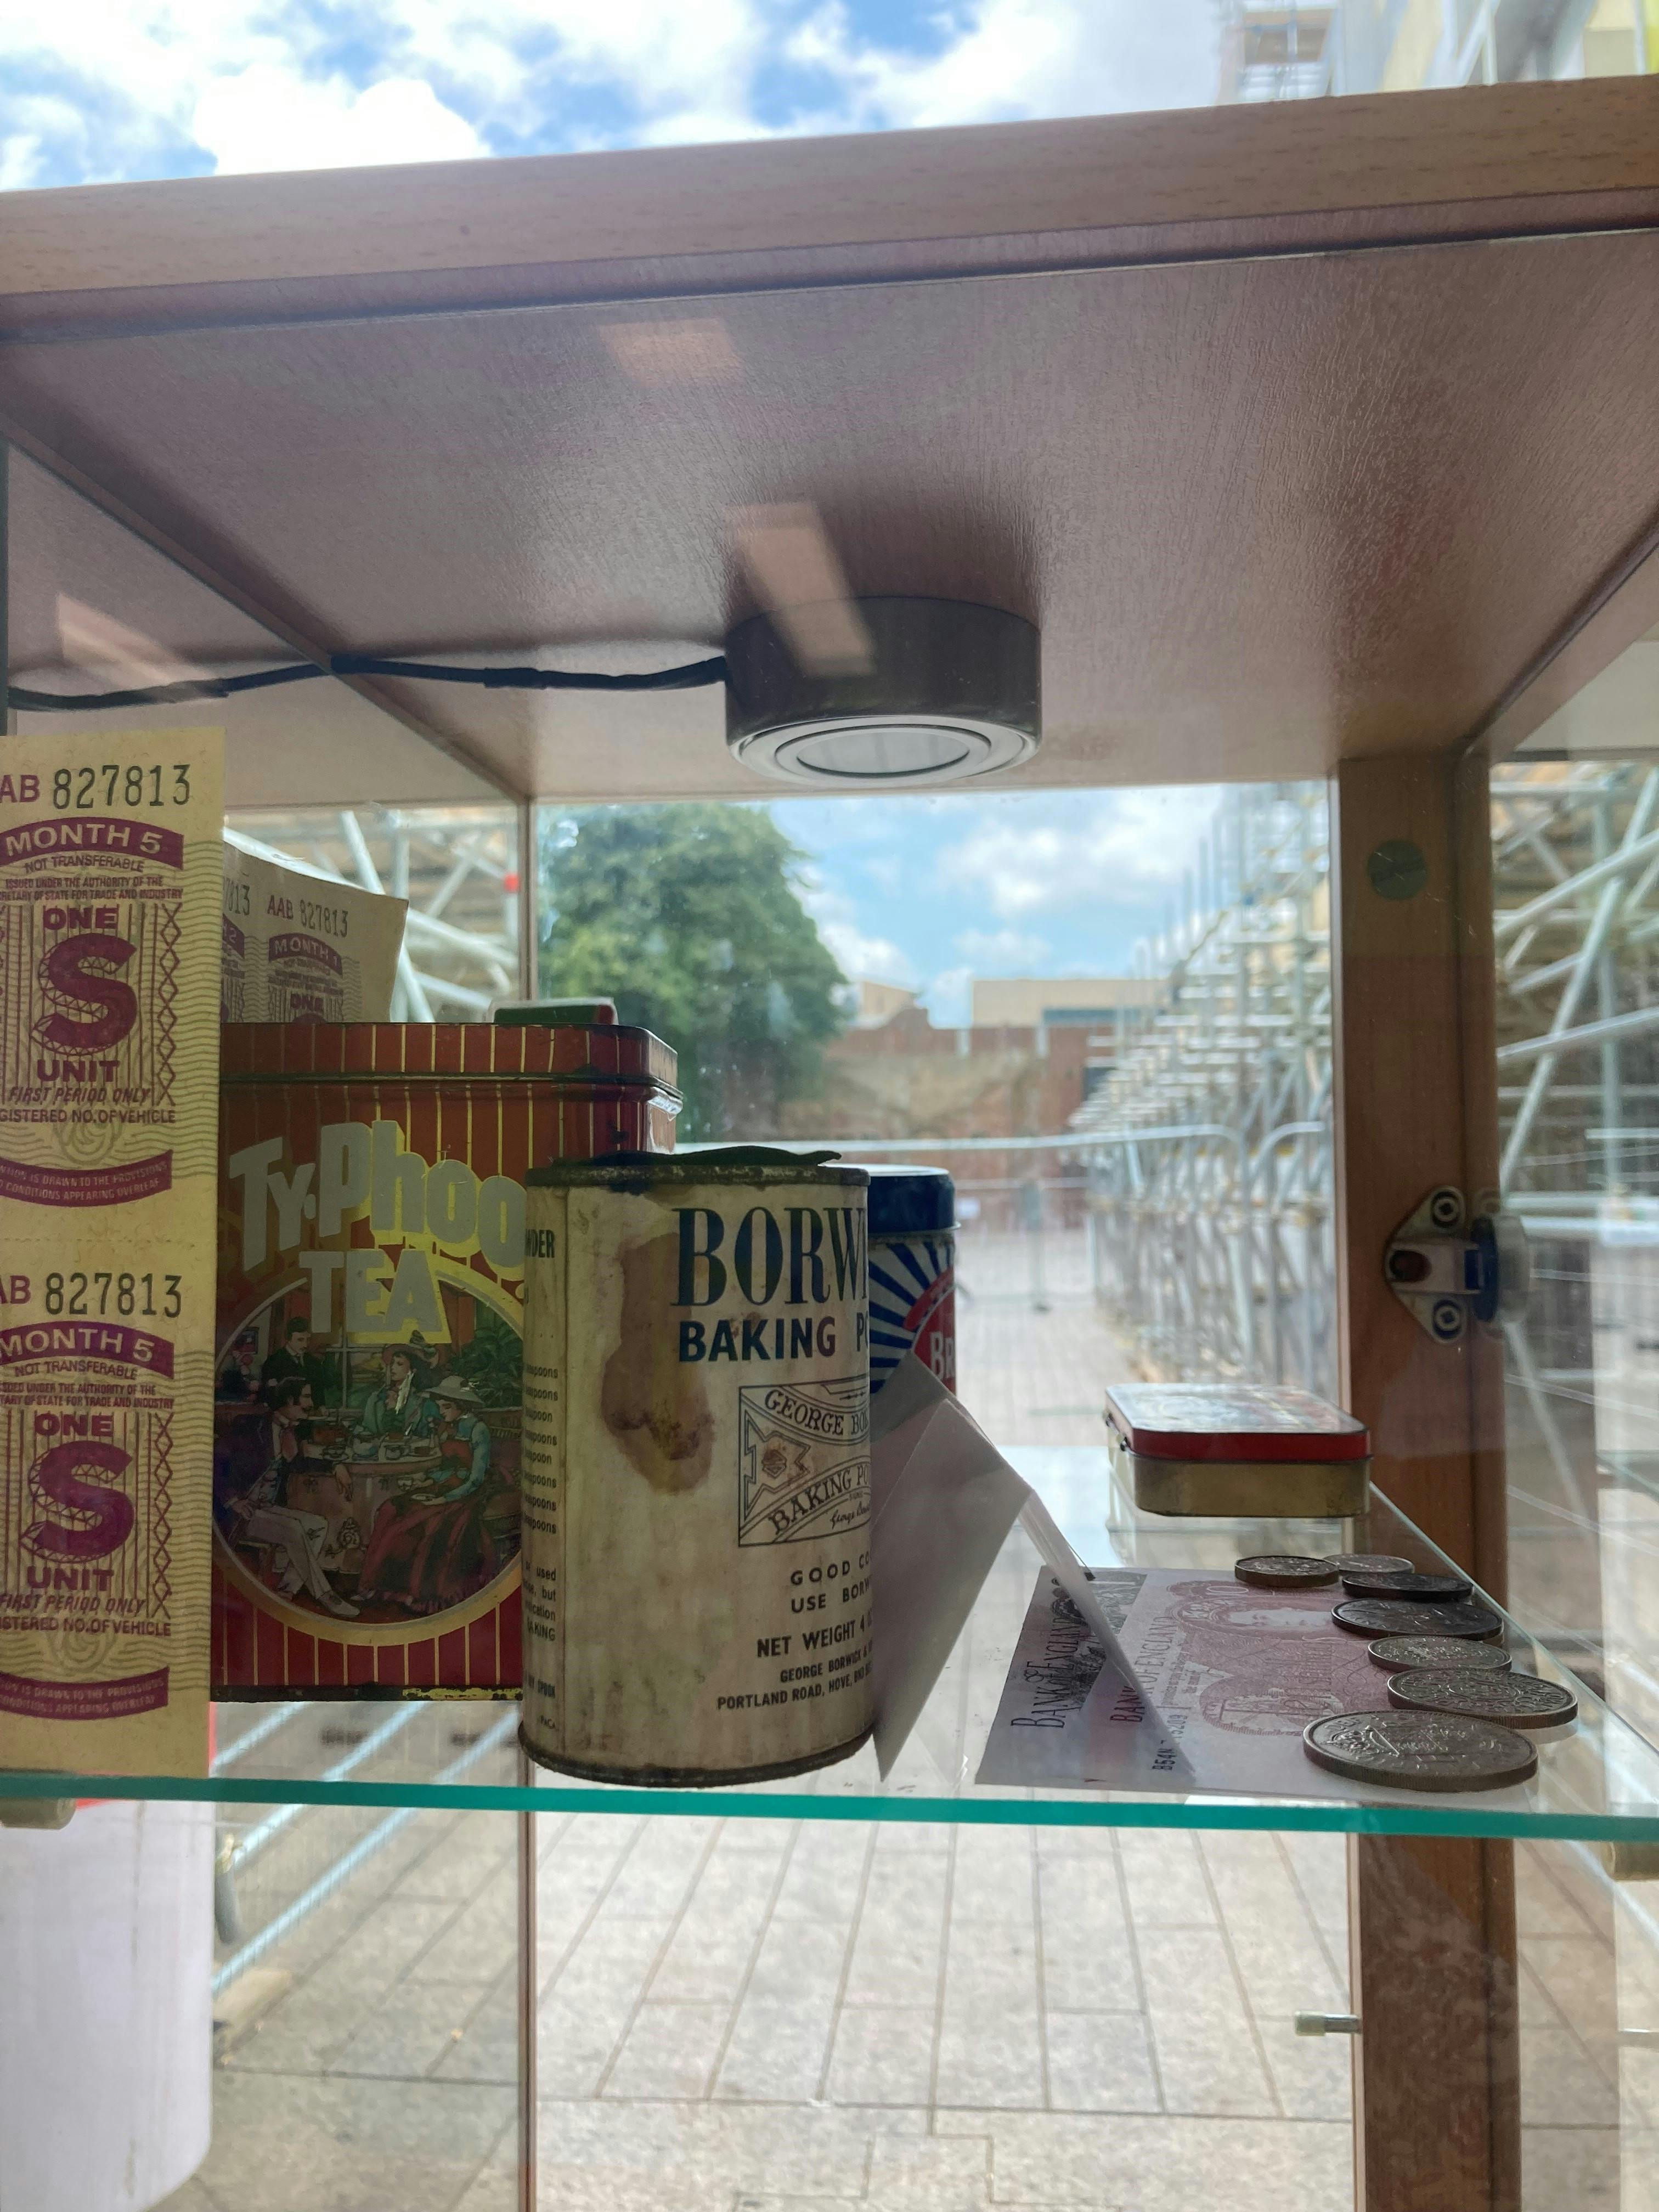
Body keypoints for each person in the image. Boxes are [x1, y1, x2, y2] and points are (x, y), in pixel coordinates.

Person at [214, 1377, 359, 1619]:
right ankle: (325, 1595)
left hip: (266, 1508)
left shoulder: (291, 1432)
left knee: (318, 1525)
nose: (311, 1404)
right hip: (238, 1513)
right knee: (293, 1528)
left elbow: (297, 1463)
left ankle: (286, 1591)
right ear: (289, 1401)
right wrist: (234, 1502)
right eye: (306, 1397)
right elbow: (214, 1464)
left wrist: (335, 1465)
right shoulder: (249, 1427)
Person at [355, 1376, 499, 1615]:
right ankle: (375, 1584)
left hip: (465, 1493)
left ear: (460, 1406)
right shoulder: (446, 1427)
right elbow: (445, 1468)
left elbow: (475, 1478)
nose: (441, 1412)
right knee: (391, 1508)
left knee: (423, 1522)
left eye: (446, 1407)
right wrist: (427, 1480)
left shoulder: (478, 1429)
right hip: (442, 1486)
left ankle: (416, 1592)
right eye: (441, 1407)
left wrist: (444, 1499)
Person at [350, 1344, 438, 1455]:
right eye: (392, 1363)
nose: (392, 1368)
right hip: (378, 1454)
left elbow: (425, 1436)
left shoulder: (422, 1400)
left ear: (413, 1370)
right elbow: (367, 1431)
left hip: (409, 1456)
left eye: (399, 1364)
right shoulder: (375, 1398)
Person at [259, 1315, 315, 1402]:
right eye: (300, 1340)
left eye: (308, 1340)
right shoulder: (273, 1361)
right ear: (288, 1338)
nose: (305, 1345)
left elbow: (318, 1390)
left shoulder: (313, 1361)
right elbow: (270, 1395)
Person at [215, 1330, 261, 1402]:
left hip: (244, 1393)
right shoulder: (229, 1360)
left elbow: (254, 1383)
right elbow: (223, 1382)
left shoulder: (251, 1362)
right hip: (230, 1394)